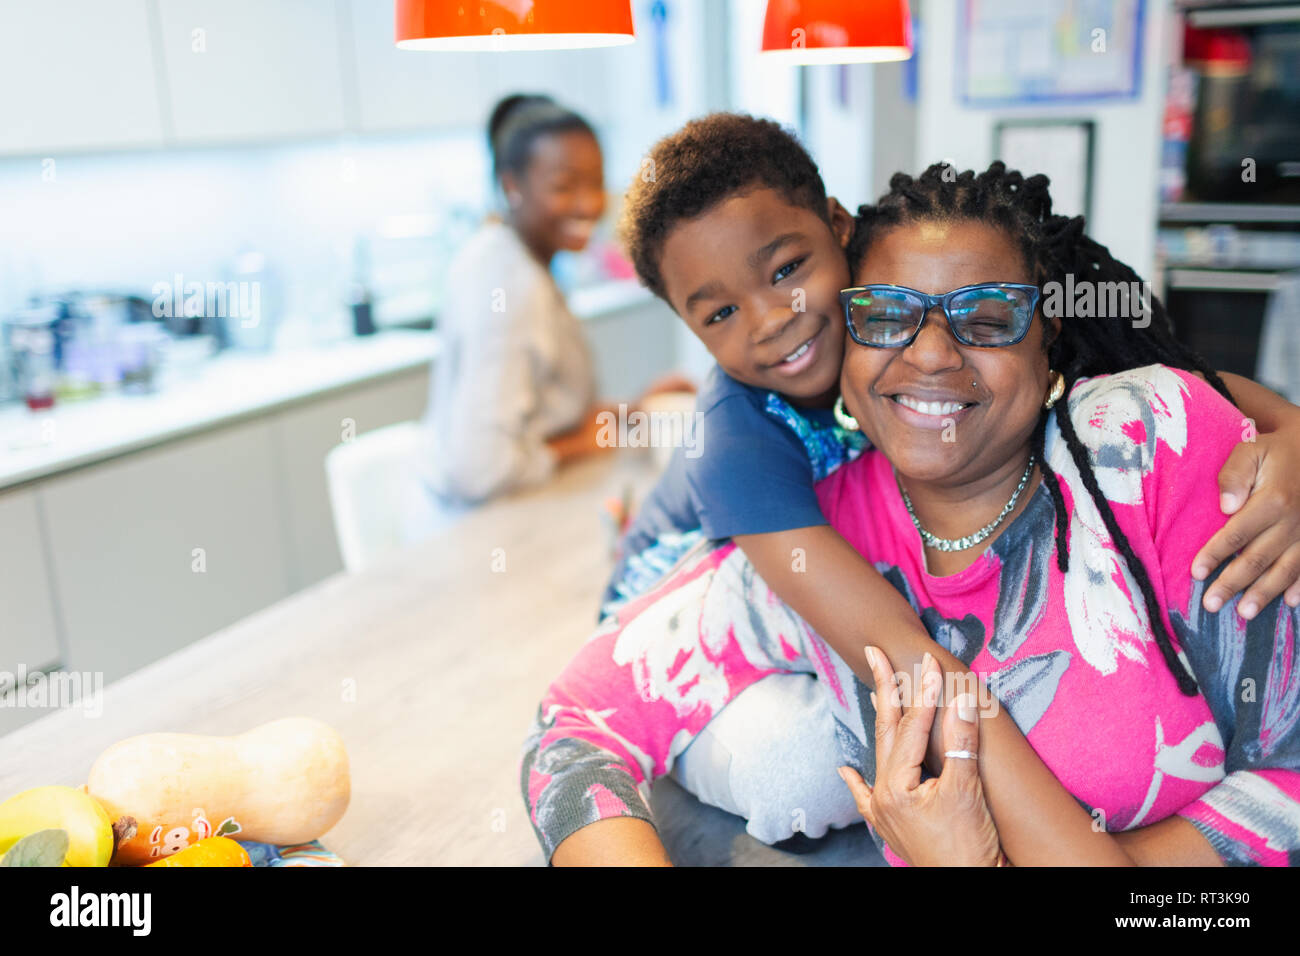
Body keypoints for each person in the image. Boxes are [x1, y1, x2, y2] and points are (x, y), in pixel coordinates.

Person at [521, 159, 1300, 866]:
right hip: (677, 545)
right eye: (888, 316)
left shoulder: (1150, 443)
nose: (930, 354)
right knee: (785, 769)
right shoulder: (806, 533)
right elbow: (576, 723)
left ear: (1048, 335)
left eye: (988, 317)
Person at [417, 94, 612, 527]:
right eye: (564, 186)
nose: (588, 204)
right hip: (480, 537)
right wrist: (584, 442)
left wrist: (626, 413)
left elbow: (540, 408)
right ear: (511, 186)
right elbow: (479, 468)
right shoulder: (508, 283)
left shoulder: (522, 260)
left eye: (596, 182)